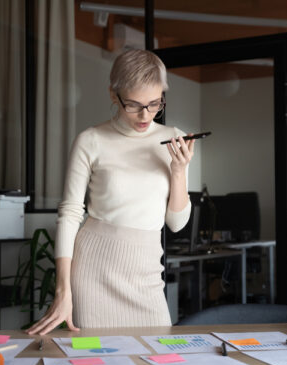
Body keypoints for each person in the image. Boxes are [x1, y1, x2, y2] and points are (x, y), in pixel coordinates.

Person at [26, 49, 195, 335]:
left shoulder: (173, 139)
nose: (145, 115)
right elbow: (69, 214)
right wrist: (63, 292)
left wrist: (178, 171)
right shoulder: (90, 141)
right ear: (113, 95)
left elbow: (176, 224)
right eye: (134, 105)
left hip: (147, 274)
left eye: (155, 104)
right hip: (94, 271)